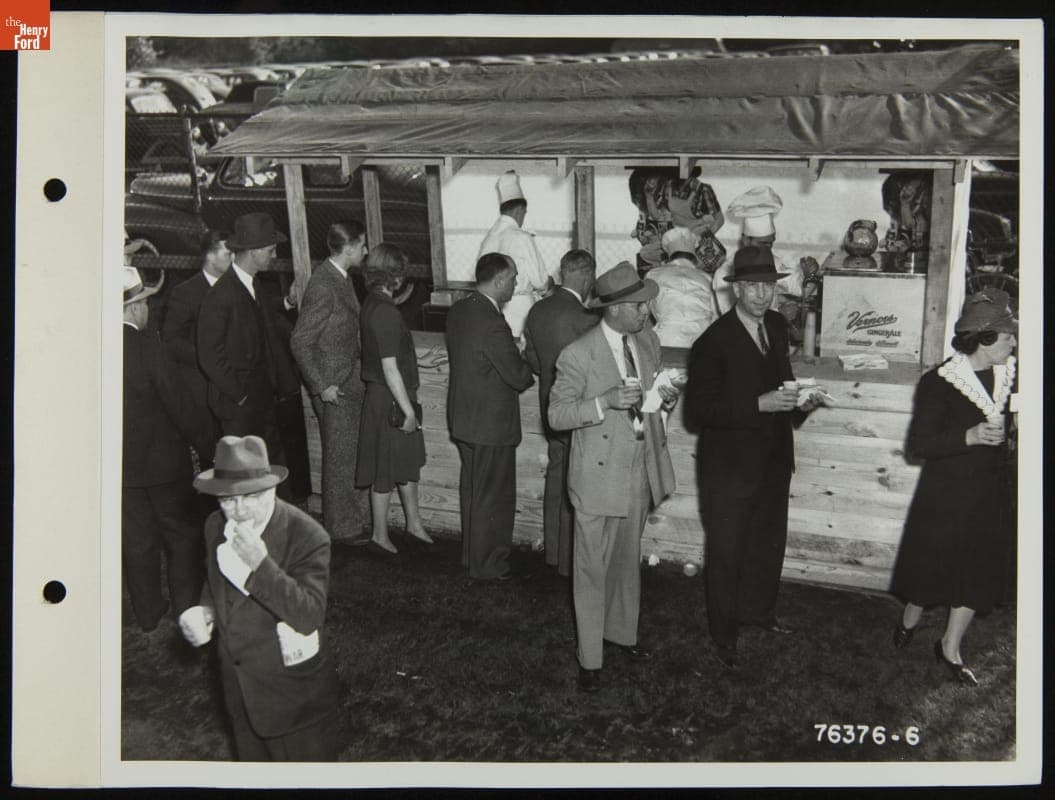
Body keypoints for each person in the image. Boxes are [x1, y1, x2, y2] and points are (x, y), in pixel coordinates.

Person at [685, 246, 817, 670]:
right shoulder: (712, 342)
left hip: (775, 460)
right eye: (753, 286)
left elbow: (783, 384)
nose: (762, 295)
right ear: (736, 290)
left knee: (767, 544)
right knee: (726, 552)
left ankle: (760, 612)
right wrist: (758, 404)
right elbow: (697, 413)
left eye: (769, 286)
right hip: (728, 470)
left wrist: (802, 401)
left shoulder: (776, 327)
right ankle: (725, 636)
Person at [548, 261, 678, 693]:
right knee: (591, 571)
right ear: (616, 308)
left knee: (625, 564)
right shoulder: (577, 353)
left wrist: (665, 399)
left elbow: (650, 403)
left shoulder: (646, 341)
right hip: (596, 479)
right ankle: (590, 659)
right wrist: (603, 401)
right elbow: (557, 416)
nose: (647, 310)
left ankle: (621, 634)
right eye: (640, 305)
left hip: (637, 470)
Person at [179, 435, 341, 761]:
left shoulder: (307, 536)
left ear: (271, 489)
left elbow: (308, 616)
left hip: (294, 703)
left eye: (250, 497)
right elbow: (216, 582)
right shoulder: (214, 526)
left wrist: (259, 566)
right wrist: (205, 611)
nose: (238, 511)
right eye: (227, 500)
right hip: (239, 691)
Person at [889, 289, 1017, 686]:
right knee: (930, 570)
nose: (1015, 341)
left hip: (991, 492)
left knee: (976, 571)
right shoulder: (939, 383)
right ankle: (911, 617)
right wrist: (971, 436)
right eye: (1009, 335)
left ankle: (950, 646)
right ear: (984, 337)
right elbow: (918, 446)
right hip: (945, 494)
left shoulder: (1013, 373)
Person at [122, 266, 209, 632]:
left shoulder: (92, 349)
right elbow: (179, 403)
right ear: (132, 309)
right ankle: (185, 608)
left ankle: (147, 614)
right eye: (143, 303)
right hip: (164, 466)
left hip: (122, 468)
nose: (146, 310)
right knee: (180, 536)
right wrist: (208, 445)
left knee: (138, 540)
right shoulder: (147, 346)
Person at [197, 212, 301, 498]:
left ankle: (275, 530)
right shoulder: (220, 296)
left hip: (262, 400)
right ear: (254, 252)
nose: (274, 254)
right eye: (270, 250)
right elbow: (209, 354)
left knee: (271, 473)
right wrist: (239, 393)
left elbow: (266, 329)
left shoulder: (253, 285)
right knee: (244, 484)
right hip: (239, 407)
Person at [446, 252, 535, 581]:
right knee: (493, 498)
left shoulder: (461, 310)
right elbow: (517, 376)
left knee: (473, 492)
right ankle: (489, 566)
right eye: (512, 278)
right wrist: (526, 357)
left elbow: (479, 356)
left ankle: (473, 557)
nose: (515, 283)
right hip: (490, 424)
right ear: (498, 281)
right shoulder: (493, 322)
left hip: (466, 418)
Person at [290, 221, 371, 542]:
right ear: (348, 247)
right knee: (339, 460)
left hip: (348, 382)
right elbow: (300, 340)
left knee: (349, 455)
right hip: (334, 388)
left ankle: (355, 521)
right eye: (362, 245)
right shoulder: (324, 284)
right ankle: (341, 528)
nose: (365, 251)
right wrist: (321, 385)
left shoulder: (342, 278)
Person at [523, 249, 600, 576]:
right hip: (577, 412)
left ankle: (554, 553)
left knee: (557, 477)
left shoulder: (538, 310)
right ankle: (570, 563)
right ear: (586, 276)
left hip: (548, 406)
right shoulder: (586, 319)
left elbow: (534, 361)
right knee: (576, 483)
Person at [355, 243, 433, 555]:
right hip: (390, 398)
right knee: (385, 468)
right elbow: (389, 368)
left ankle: (413, 524)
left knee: (406, 461)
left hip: (390, 394)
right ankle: (379, 534)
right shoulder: (385, 311)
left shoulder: (373, 303)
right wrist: (408, 412)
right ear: (395, 276)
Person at [161, 229, 232, 465]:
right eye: (228, 253)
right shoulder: (185, 293)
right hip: (203, 391)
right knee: (211, 459)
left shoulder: (237, 288)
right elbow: (172, 341)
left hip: (233, 388)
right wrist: (205, 358)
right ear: (210, 257)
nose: (234, 259)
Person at [476, 170, 558, 340]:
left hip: (493, 309)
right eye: (524, 213)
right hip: (521, 313)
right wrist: (550, 282)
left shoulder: (490, 237)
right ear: (520, 209)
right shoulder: (521, 237)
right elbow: (540, 282)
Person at [711, 186, 802, 316]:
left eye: (771, 243)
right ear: (745, 240)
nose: (768, 248)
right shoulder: (723, 275)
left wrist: (810, 274)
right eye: (762, 243)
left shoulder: (775, 262)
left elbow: (800, 288)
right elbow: (735, 320)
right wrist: (778, 313)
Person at [646, 227, 721, 348]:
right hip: (703, 343)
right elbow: (716, 316)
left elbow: (646, 310)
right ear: (694, 257)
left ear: (669, 256)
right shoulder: (708, 278)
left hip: (666, 340)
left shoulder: (654, 274)